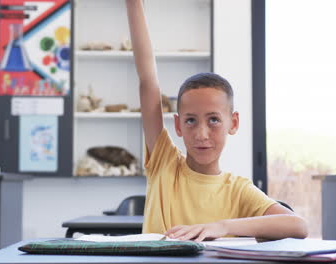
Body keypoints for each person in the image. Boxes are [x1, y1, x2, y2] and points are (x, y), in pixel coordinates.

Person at [125, 0, 308, 242]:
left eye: (213, 120)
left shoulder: (238, 189)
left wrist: (221, 226)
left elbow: (298, 226)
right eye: (191, 121)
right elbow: (148, 80)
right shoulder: (164, 163)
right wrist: (133, 4)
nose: (201, 133)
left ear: (233, 123)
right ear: (178, 125)